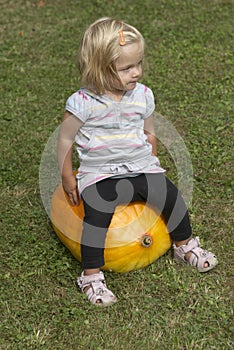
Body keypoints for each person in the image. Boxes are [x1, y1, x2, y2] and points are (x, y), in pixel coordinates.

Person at [58, 17, 218, 306]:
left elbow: (149, 132)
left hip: (139, 165)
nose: (137, 72)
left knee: (170, 195)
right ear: (100, 69)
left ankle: (184, 245)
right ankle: (91, 276)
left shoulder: (143, 95)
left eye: (139, 64)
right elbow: (65, 139)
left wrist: (152, 162)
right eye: (127, 68)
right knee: (97, 215)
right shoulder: (82, 102)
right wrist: (68, 175)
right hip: (100, 173)